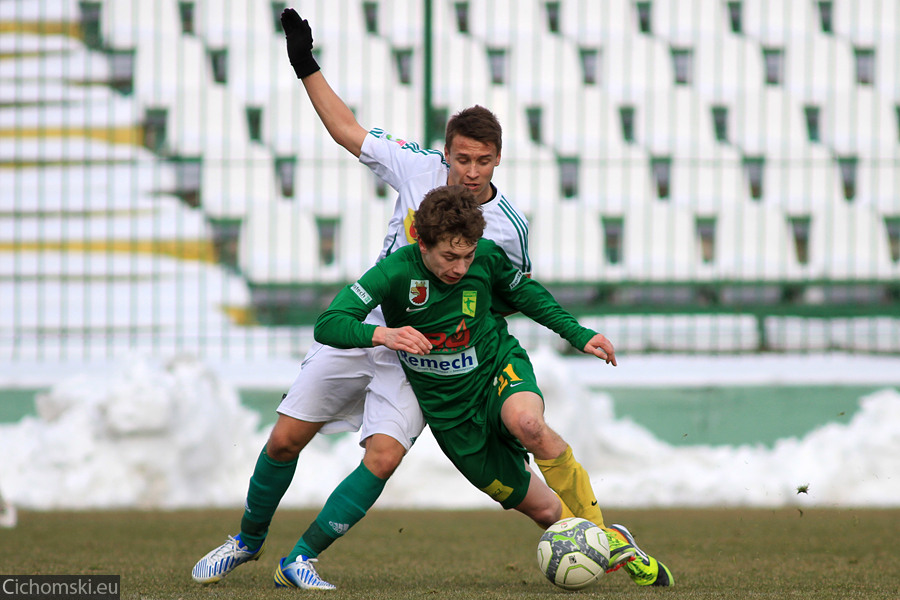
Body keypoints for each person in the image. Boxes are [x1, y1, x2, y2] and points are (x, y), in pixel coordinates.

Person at [192, 7, 671, 590]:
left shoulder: (506, 230)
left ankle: (600, 538)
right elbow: (346, 129)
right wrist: (304, 64)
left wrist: (522, 344)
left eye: (482, 161)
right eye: (461, 158)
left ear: (498, 161)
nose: (469, 172)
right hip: (370, 323)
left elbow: (512, 296)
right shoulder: (415, 168)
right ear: (445, 154)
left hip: (436, 362)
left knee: (403, 454)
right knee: (287, 437)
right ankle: (246, 541)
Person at [315, 185, 673, 587]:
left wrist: (577, 333)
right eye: (450, 257)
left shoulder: (486, 258)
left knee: (529, 425)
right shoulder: (394, 272)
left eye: (467, 256)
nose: (460, 267)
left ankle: (598, 528)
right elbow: (328, 323)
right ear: (422, 241)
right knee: (548, 515)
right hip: (453, 418)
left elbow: (528, 295)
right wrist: (383, 335)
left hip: (496, 367)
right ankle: (613, 542)